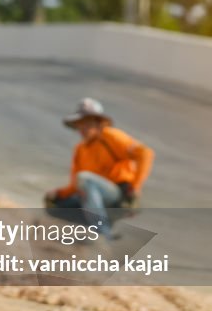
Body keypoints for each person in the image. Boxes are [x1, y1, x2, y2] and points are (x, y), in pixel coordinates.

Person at [44, 98, 154, 236]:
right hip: (94, 200)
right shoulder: (80, 150)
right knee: (57, 207)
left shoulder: (110, 137)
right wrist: (58, 194)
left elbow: (145, 154)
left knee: (84, 178)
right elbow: (75, 186)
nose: (83, 129)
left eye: (88, 124)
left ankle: (104, 234)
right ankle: (84, 239)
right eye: (81, 125)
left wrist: (136, 188)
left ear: (98, 124)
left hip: (117, 196)